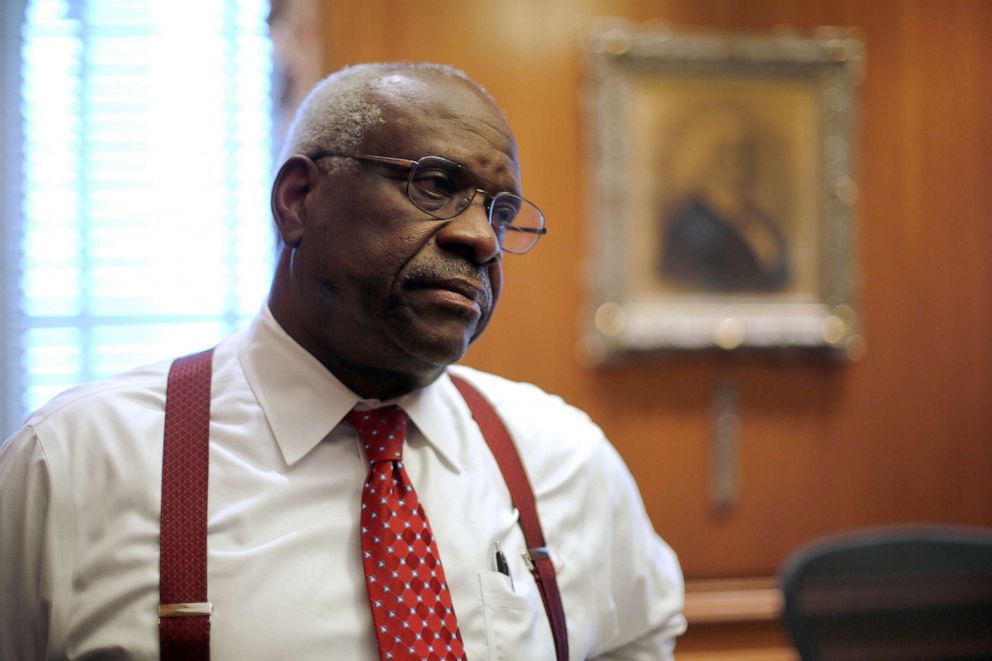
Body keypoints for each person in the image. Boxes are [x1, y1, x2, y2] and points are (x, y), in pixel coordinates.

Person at [0, 62, 685, 660]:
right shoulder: (76, 462)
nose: (480, 238)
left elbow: (640, 638)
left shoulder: (559, 457)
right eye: (434, 185)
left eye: (501, 213)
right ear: (298, 200)